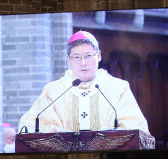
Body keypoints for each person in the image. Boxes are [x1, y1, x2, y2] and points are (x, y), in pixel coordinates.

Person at [18, 31, 149, 136]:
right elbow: (28, 127)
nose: (83, 63)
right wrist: (50, 131)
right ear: (69, 60)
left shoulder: (118, 88)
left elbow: (136, 127)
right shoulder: (53, 91)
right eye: (76, 57)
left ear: (98, 56)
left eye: (88, 56)